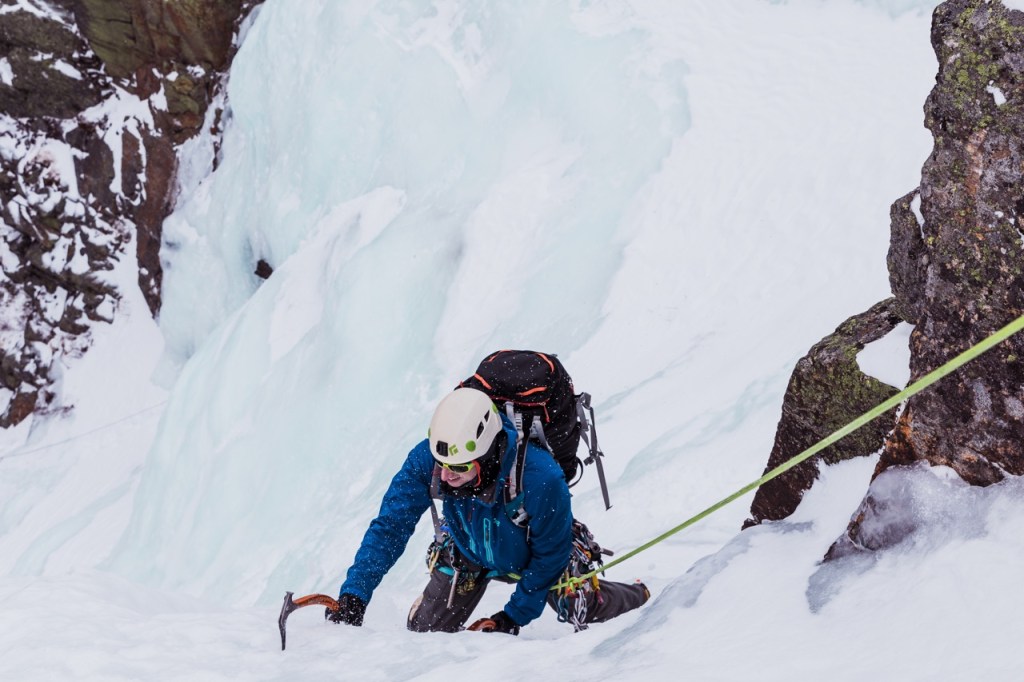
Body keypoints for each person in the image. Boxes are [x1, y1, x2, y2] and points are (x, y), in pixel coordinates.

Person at [330, 387, 649, 634]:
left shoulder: (540, 477)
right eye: (440, 465)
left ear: (486, 453)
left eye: (457, 467)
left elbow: (550, 555)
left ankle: (641, 597)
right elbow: (391, 526)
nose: (443, 475)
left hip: (534, 551)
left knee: (580, 606)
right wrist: (355, 593)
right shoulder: (428, 459)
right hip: (467, 548)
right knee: (424, 634)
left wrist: (512, 616)